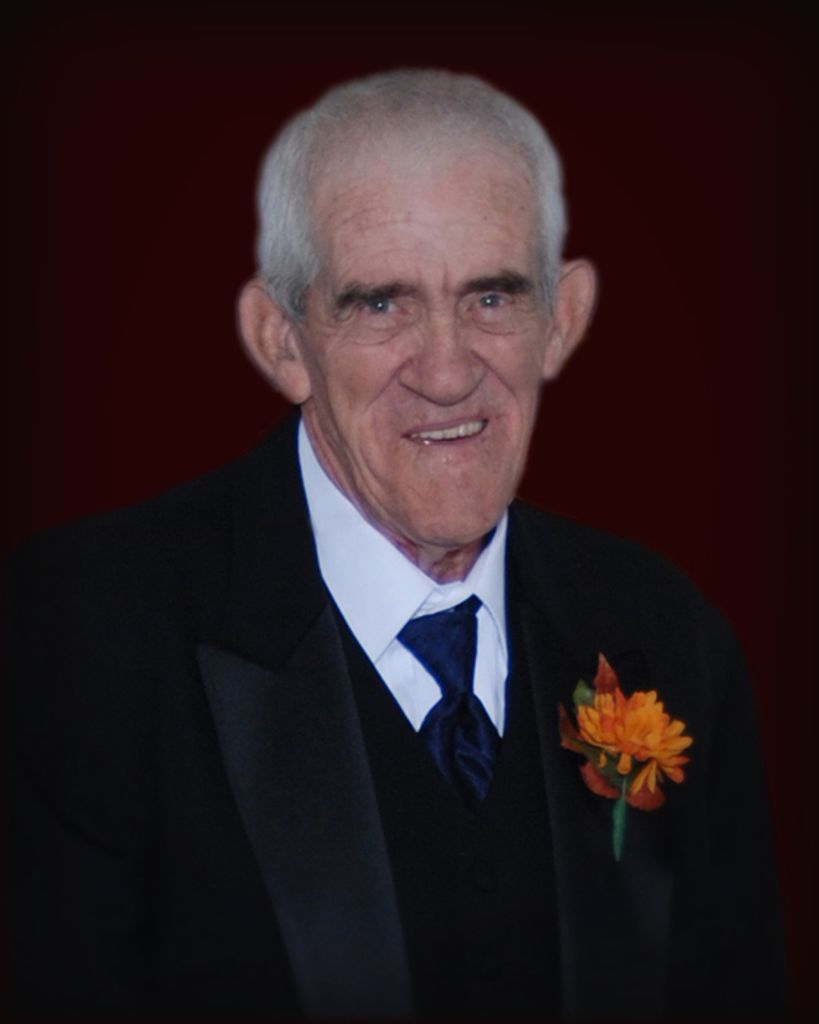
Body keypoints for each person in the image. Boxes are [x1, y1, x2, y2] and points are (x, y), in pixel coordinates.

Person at [7, 69, 787, 1018]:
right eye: (381, 304)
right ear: (280, 339)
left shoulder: (667, 632)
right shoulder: (76, 640)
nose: (448, 371)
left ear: (562, 319)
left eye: (492, 297)